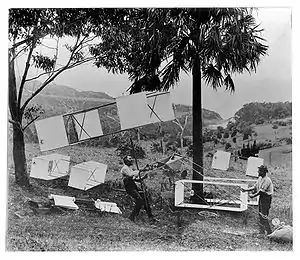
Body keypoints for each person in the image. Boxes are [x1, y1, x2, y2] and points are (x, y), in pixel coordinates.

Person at [121, 155, 156, 223]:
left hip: (133, 185)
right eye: (130, 158)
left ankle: (151, 217)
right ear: (126, 160)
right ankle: (132, 217)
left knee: (145, 198)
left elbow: (135, 179)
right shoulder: (125, 168)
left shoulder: (130, 168)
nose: (131, 160)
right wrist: (140, 170)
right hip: (129, 187)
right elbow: (131, 175)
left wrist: (143, 177)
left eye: (131, 158)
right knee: (140, 201)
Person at [241, 165, 274, 235]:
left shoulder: (267, 180)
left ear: (263, 172)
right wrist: (245, 190)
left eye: (259, 171)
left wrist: (253, 195)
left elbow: (261, 191)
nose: (258, 172)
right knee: (260, 214)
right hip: (262, 198)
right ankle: (261, 232)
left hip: (266, 199)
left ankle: (269, 232)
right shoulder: (260, 178)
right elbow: (255, 187)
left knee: (264, 215)